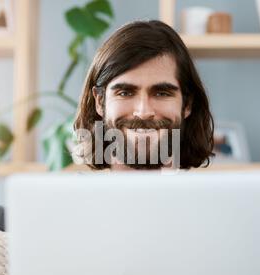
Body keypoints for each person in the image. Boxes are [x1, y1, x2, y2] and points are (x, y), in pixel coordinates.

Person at [74, 20, 215, 171]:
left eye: (161, 93)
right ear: (100, 102)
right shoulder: (73, 194)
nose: (143, 113)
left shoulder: (214, 194)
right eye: (125, 93)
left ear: (187, 104)